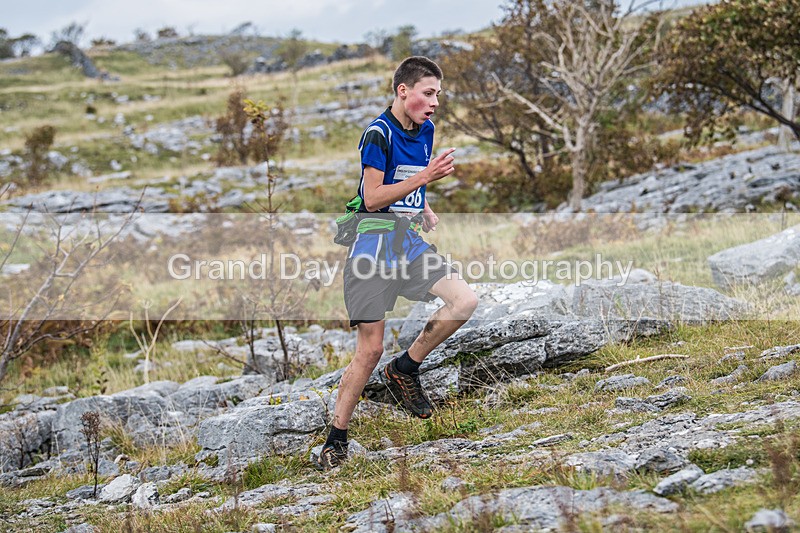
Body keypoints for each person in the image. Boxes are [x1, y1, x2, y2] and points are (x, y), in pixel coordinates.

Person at [316, 56, 478, 470]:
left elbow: (403, 183)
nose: (435, 102)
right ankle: (336, 439)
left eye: (438, 95)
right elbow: (372, 198)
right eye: (428, 93)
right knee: (368, 351)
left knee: (464, 302)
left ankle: (406, 367)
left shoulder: (426, 130)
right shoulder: (377, 133)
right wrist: (424, 180)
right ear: (403, 91)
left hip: (406, 244)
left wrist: (421, 206)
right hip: (371, 250)